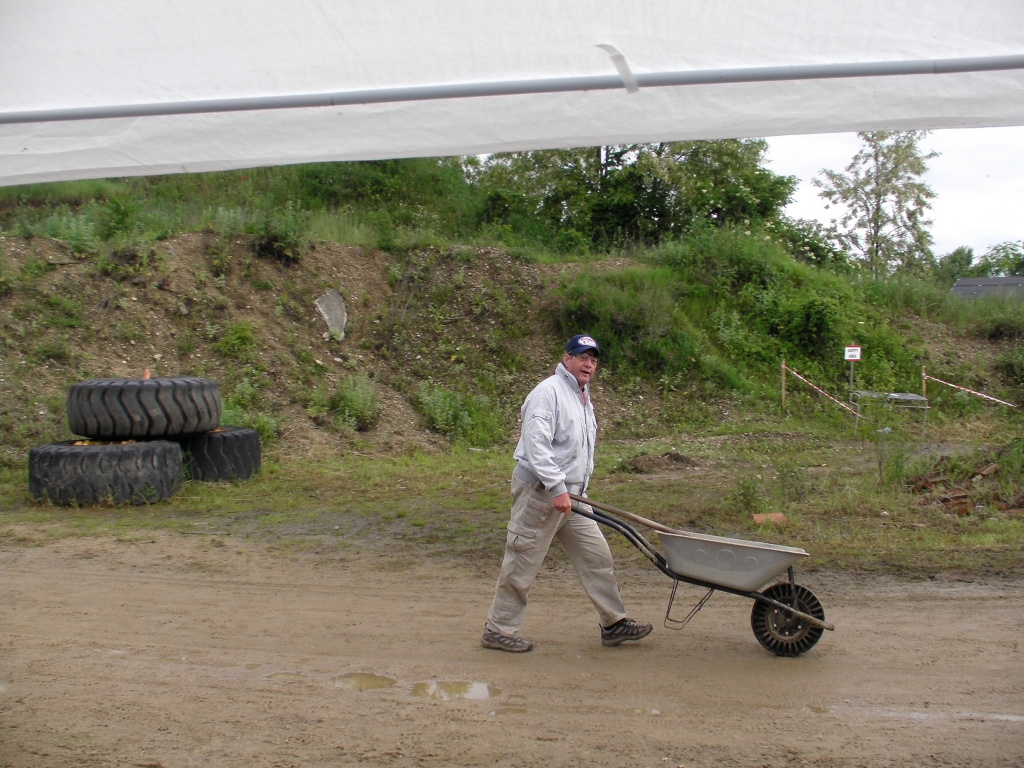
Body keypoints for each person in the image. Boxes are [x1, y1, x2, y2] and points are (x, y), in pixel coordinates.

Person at [481, 334, 653, 653]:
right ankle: (498, 629)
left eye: (594, 360)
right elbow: (537, 445)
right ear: (566, 359)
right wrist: (558, 488)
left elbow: (577, 450)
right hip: (541, 492)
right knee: (523, 559)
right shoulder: (549, 393)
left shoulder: (582, 396)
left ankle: (614, 623)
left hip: (571, 497)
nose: (589, 364)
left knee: (596, 556)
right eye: (582, 357)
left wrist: (572, 490)